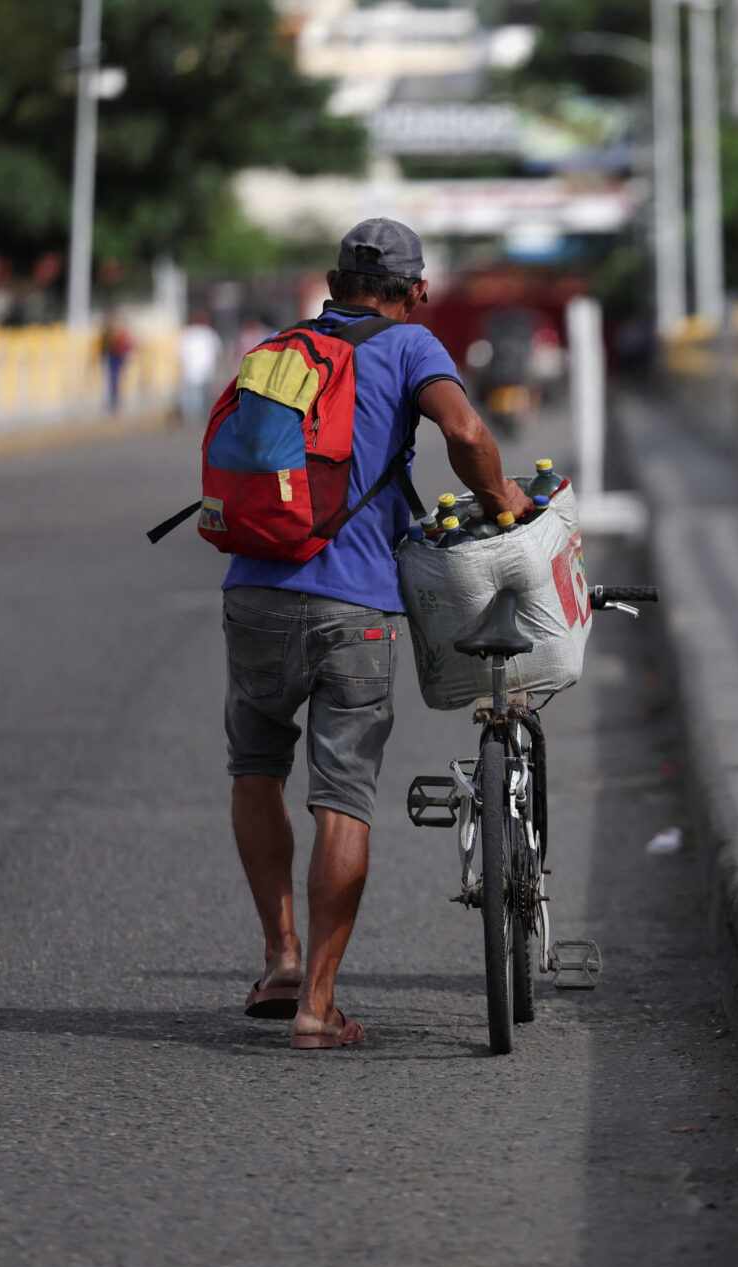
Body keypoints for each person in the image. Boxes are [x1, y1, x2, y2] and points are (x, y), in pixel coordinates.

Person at [223, 217, 533, 1050]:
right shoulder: (410, 347)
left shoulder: (280, 346)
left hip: (252, 586)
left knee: (256, 767)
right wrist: (502, 497)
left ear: (333, 281)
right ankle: (318, 1009)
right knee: (342, 796)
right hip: (353, 606)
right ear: (415, 291)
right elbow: (465, 433)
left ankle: (281, 958)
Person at [176, 310, 222, 424]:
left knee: (193, 393)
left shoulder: (189, 333)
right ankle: (196, 415)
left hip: (194, 368)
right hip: (203, 368)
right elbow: (217, 351)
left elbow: (181, 352)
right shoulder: (208, 333)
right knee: (199, 393)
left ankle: (191, 415)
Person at [100, 313, 133, 411]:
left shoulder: (119, 333)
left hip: (118, 357)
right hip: (113, 357)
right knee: (113, 378)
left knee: (115, 378)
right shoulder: (110, 332)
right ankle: (114, 399)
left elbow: (126, 345)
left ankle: (116, 400)